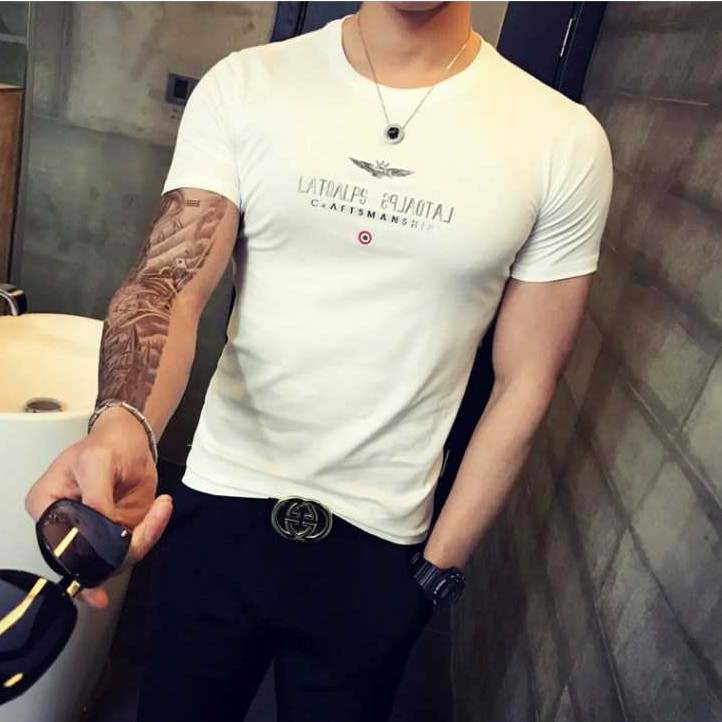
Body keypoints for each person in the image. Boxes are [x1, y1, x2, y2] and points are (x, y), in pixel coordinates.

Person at [25, 2, 613, 720]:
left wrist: (437, 574)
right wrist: (123, 423)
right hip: (218, 514)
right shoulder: (247, 84)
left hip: (383, 550)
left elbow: (528, 379)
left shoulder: (561, 140)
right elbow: (169, 284)